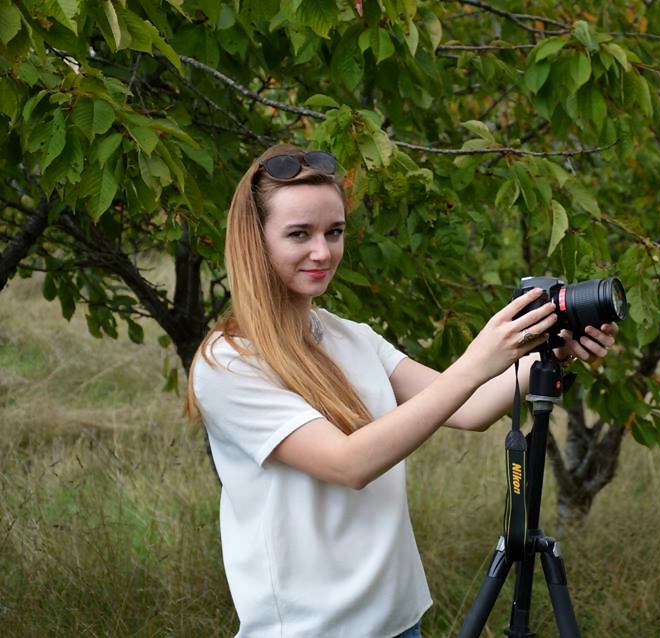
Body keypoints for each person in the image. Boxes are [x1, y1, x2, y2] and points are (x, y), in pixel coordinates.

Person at [186, 144, 619, 638]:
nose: (322, 252)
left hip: (399, 621)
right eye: (299, 235)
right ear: (255, 242)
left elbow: (471, 407)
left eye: (335, 232)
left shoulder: (351, 336)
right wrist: (477, 359)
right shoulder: (229, 365)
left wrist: (549, 352)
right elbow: (349, 464)